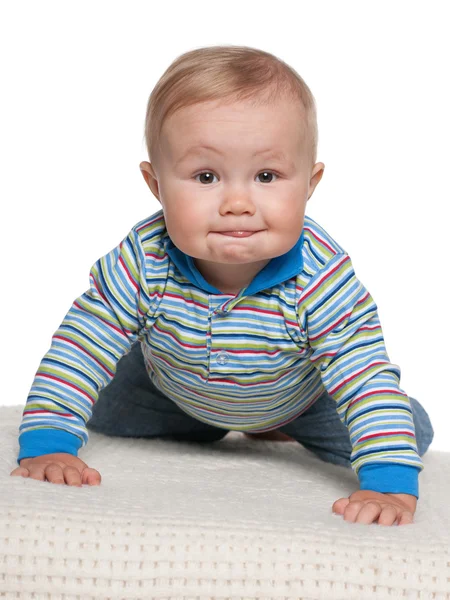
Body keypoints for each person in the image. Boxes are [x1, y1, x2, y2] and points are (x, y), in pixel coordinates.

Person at [10, 45, 434, 526]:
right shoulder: (144, 257)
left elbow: (364, 377)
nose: (237, 202)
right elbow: (82, 344)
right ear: (156, 185)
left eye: (267, 176)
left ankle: (269, 429)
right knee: (99, 411)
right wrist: (49, 443)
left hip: (295, 401)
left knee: (408, 431)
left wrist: (389, 485)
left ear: (310, 184)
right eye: (206, 176)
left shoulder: (322, 277)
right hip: (169, 386)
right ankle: (197, 425)